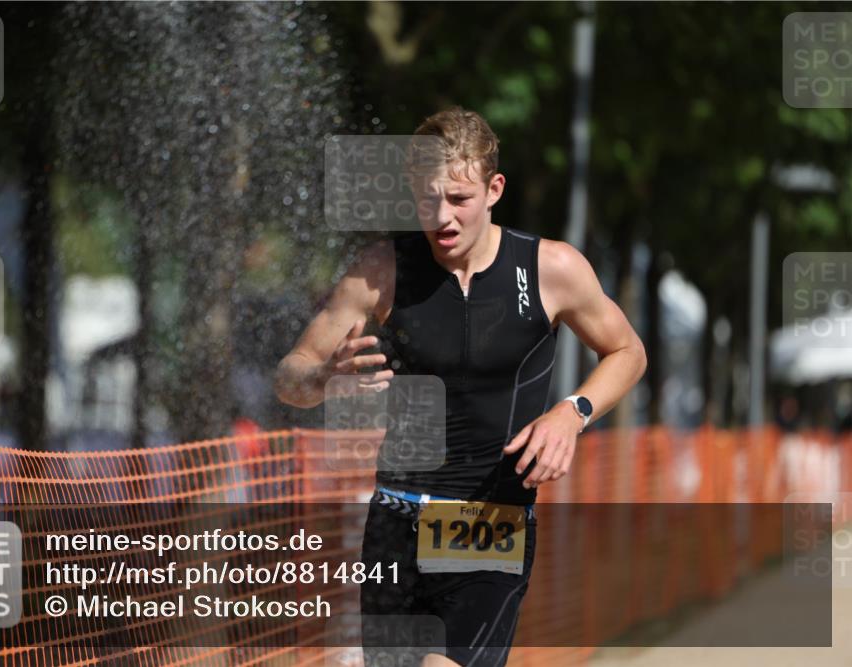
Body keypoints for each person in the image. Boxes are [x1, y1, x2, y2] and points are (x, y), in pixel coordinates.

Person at [274, 107, 646, 667]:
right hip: (395, 521)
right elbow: (290, 377)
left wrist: (573, 411)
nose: (441, 217)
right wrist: (325, 377)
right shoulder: (381, 271)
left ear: (494, 189)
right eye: (427, 200)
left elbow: (628, 350)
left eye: (459, 199)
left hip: (489, 519)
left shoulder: (551, 268)